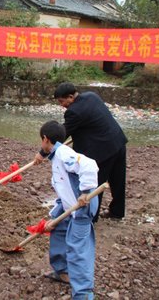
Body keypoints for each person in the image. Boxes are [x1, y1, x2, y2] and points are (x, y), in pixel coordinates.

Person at [35, 82, 127, 222]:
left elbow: (61, 134)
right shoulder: (91, 96)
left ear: (71, 97)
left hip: (103, 151)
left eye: (62, 101)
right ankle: (117, 211)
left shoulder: (74, 112)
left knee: (94, 184)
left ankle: (91, 217)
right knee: (118, 180)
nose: (62, 105)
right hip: (118, 142)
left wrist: (43, 153)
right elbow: (90, 121)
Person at [40, 120, 98, 299]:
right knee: (58, 230)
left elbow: (89, 165)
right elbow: (64, 191)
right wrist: (54, 216)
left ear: (45, 139)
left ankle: (83, 293)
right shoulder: (56, 156)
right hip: (70, 205)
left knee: (77, 248)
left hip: (82, 207)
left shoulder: (64, 153)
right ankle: (62, 272)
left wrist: (86, 191)